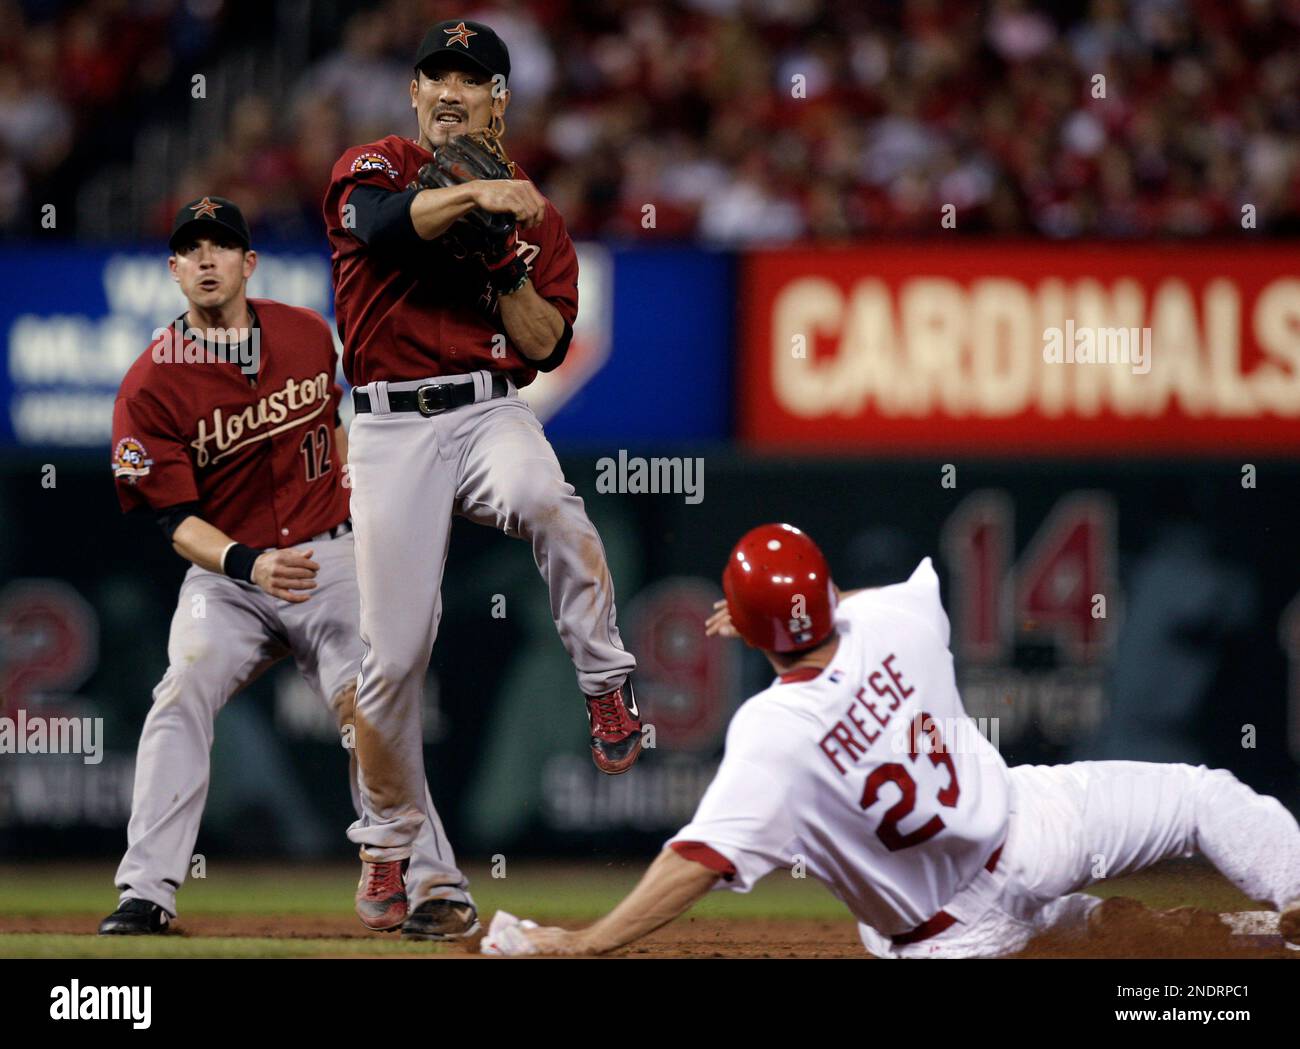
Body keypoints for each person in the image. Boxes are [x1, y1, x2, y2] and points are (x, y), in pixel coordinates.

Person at [512, 523, 1300, 957]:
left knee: (1029, 930)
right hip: (1036, 829)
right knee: (1203, 796)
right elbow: (848, 603)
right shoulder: (900, 616)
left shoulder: (773, 730)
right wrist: (794, 604)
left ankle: (1092, 931)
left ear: (749, 632)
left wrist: (587, 945)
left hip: (950, 938)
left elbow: (699, 859)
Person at [322, 19, 641, 936]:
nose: (451, 89)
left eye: (472, 77)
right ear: (415, 93)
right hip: (386, 428)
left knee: (548, 497)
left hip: (487, 406)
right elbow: (385, 230)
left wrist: (504, 255)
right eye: (436, 76)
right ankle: (397, 851)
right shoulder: (373, 165)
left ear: (501, 98)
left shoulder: (533, 216)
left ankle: (604, 678)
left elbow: (543, 346)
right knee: (393, 660)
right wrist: (475, 202)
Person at [100, 196, 470, 939]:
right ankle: (146, 891)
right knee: (183, 687)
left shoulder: (306, 335)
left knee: (370, 708)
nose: (207, 259)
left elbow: (344, 425)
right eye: (191, 249)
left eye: (221, 245)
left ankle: (432, 886)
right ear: (174, 271)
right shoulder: (150, 383)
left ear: (249, 262)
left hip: (330, 555)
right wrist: (249, 563)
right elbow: (176, 523)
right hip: (228, 576)